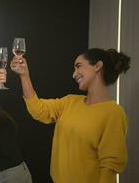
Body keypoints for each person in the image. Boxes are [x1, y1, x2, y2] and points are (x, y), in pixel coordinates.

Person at [10, 48, 130, 183]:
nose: (74, 74)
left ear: (97, 66)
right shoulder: (70, 101)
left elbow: (109, 166)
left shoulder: (113, 113)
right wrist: (24, 75)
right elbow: (38, 110)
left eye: (79, 66)